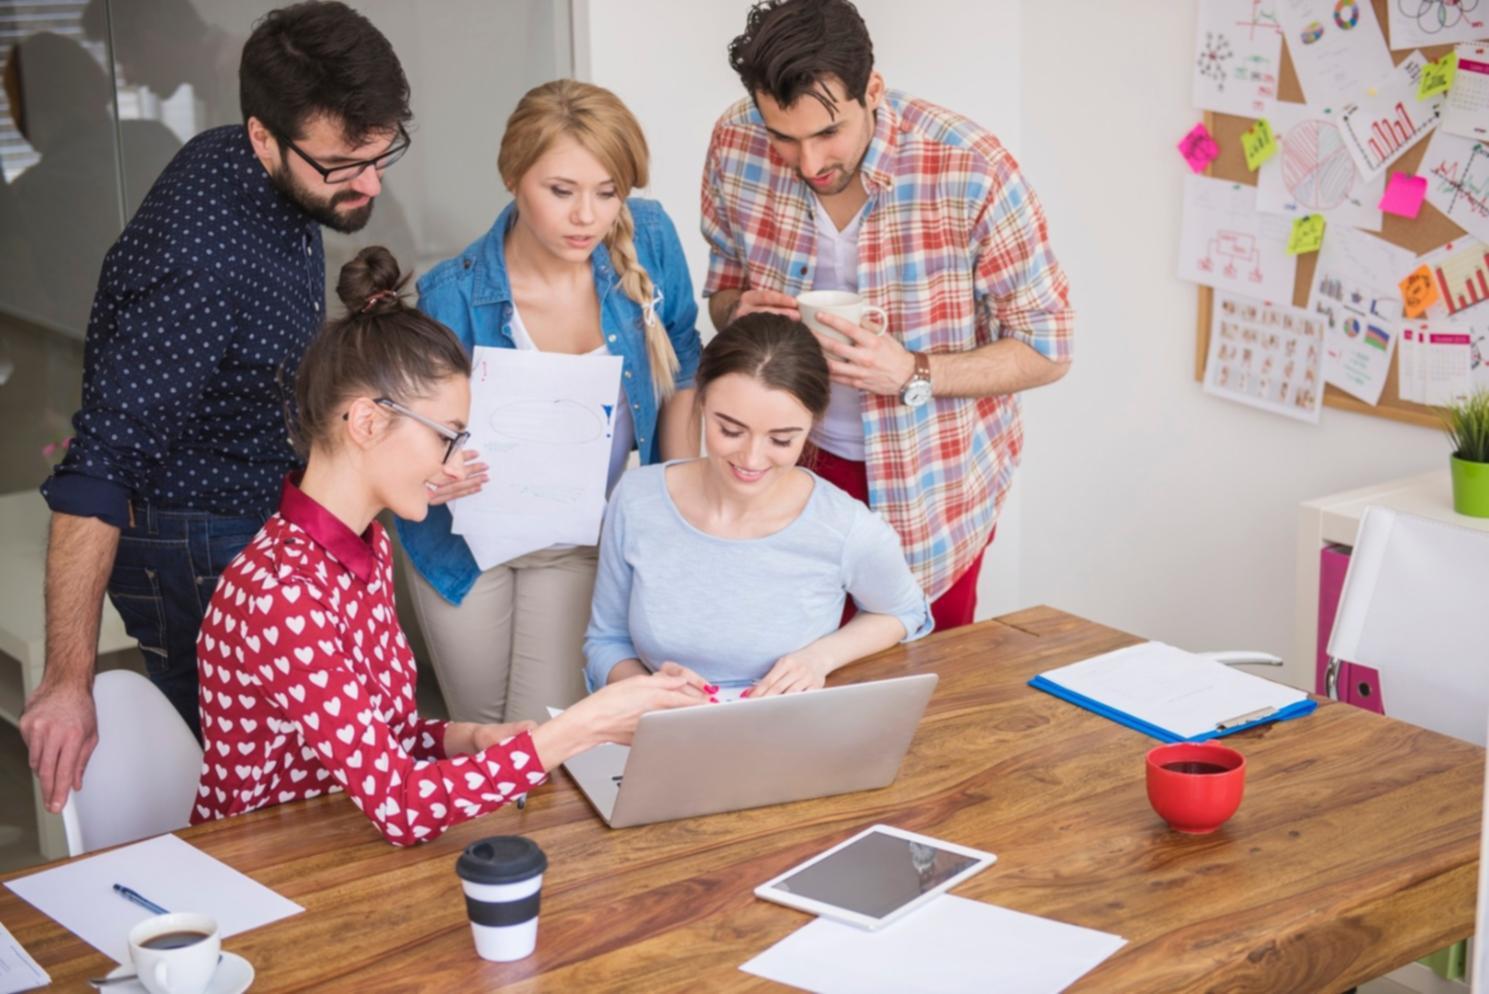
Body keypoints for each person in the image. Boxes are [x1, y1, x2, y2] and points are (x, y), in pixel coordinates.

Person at [21, 1, 420, 817]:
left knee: (318, 768)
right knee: (258, 796)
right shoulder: (197, 259)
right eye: (342, 165)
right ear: (263, 137)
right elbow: (99, 470)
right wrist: (66, 682)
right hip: (194, 539)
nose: (370, 184)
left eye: (381, 154)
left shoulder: (258, 163)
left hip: (263, 506)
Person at [192, 247, 711, 846]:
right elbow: (399, 804)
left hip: (339, 847)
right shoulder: (281, 594)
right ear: (366, 423)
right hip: (263, 867)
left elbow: (382, 738)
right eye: (448, 437)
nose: (456, 463)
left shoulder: (364, 548)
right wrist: (581, 726)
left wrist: (469, 739)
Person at [700, 0, 1075, 633]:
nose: (809, 163)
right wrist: (737, 310)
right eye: (784, 137)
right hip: (782, 468)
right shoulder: (736, 142)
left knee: (924, 677)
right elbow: (722, 291)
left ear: (872, 90)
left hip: (930, 488)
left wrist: (912, 372)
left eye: (828, 133)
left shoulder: (970, 167)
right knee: (787, 672)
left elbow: (1048, 347)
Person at [399, 80, 702, 726]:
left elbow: (682, 363)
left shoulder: (649, 239)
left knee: (545, 737)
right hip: (461, 545)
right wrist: (432, 470)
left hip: (575, 541)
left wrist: (676, 505)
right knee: (482, 736)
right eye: (561, 191)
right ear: (514, 176)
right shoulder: (451, 295)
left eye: (607, 192)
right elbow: (411, 433)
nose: (586, 217)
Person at [583, 312, 932, 697]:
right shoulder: (636, 500)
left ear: (812, 423)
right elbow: (606, 641)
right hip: (653, 723)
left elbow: (905, 611)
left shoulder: (846, 527)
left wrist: (819, 659)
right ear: (701, 400)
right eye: (730, 430)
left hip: (788, 729)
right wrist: (652, 695)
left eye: (781, 440)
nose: (751, 459)